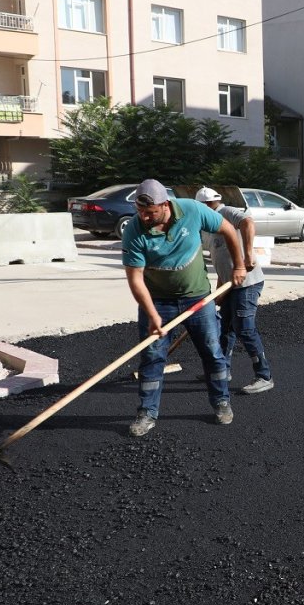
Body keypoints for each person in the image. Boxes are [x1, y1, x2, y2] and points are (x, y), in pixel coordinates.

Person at [121, 179, 247, 437]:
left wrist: (239, 266)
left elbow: (229, 230)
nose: (144, 216)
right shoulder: (134, 230)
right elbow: (135, 279)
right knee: (152, 357)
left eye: (150, 212)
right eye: (140, 211)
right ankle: (147, 413)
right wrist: (153, 315)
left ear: (165, 205)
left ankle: (221, 402)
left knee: (212, 351)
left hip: (197, 298)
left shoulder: (192, 210)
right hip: (156, 300)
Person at [195, 187, 274, 395]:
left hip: (248, 282)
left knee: (245, 328)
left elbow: (248, 222)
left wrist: (248, 254)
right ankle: (222, 370)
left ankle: (264, 376)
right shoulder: (208, 227)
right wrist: (220, 292)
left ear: (207, 205)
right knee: (224, 329)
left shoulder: (226, 212)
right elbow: (223, 263)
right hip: (230, 285)